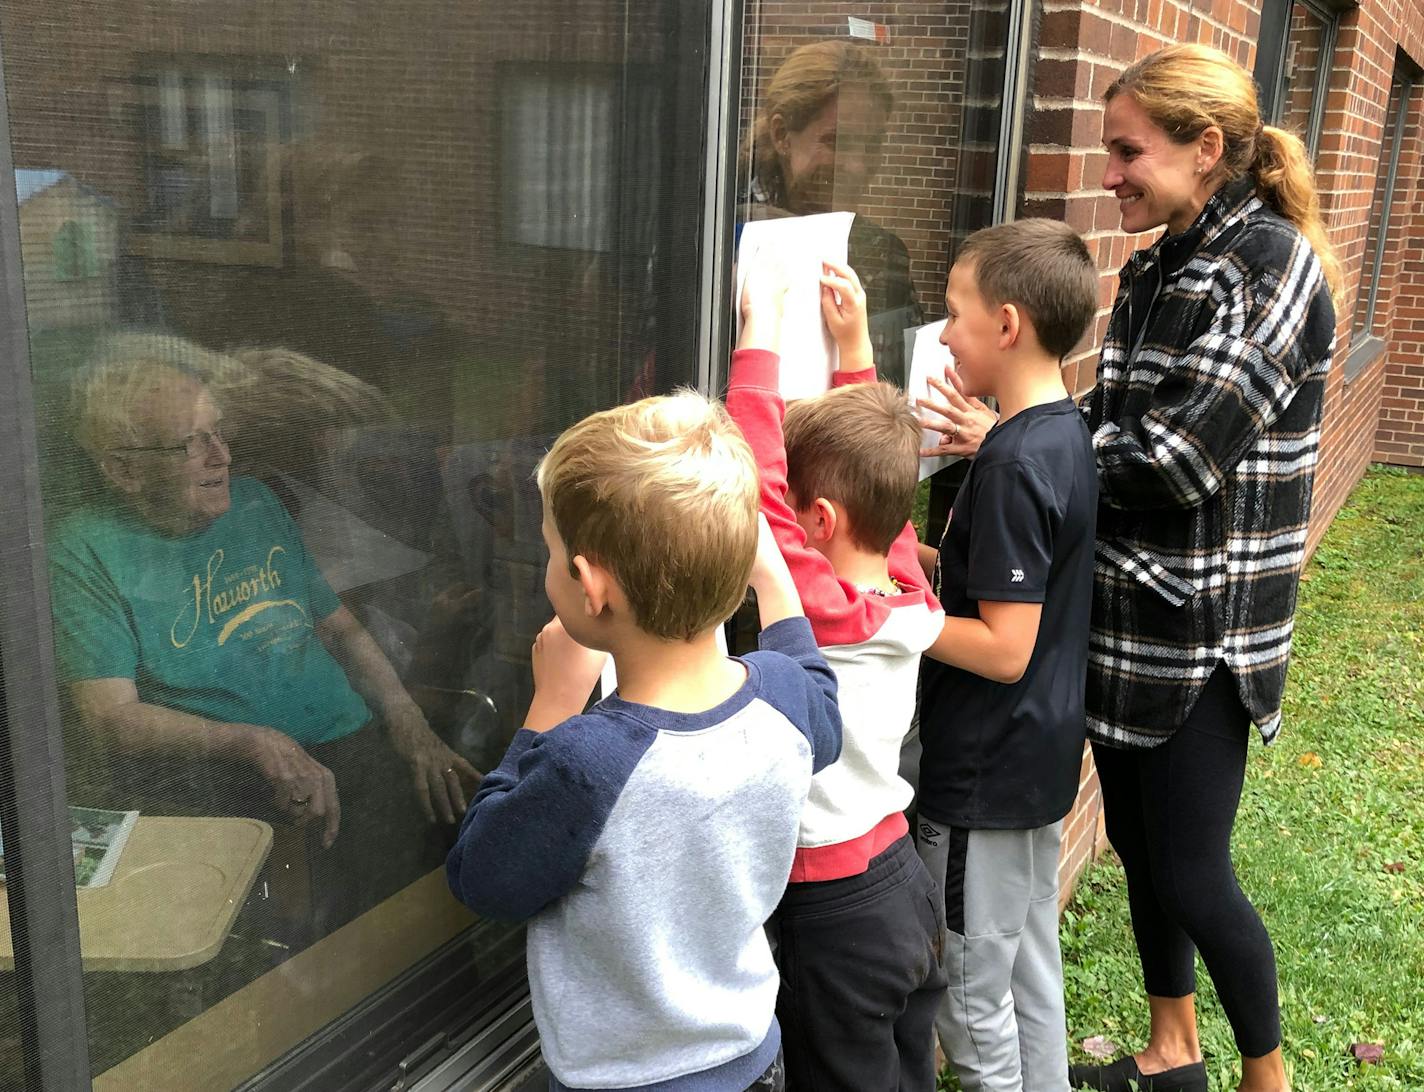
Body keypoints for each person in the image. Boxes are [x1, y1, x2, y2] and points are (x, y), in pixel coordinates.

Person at [918, 44, 1341, 1092]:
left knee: (1192, 870)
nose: (1108, 174)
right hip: (1122, 616)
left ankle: (1266, 1076)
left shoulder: (1268, 269)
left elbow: (1176, 458)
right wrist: (1023, 441)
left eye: (1125, 150)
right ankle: (1170, 1050)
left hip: (1204, 634)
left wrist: (1007, 442)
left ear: (1205, 152)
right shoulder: (1157, 266)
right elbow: (1104, 417)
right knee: (1142, 861)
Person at [445, 392, 842, 1092]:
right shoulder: (782, 696)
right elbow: (823, 706)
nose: (548, 563)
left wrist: (552, 701)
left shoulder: (587, 761)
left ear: (591, 585)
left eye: (551, 550)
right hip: (753, 1060)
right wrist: (775, 579)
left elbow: (484, 878)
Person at [49, 337, 479, 931]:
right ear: (122, 469)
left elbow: (346, 631)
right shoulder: (85, 548)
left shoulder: (256, 503)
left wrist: (410, 724)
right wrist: (253, 742)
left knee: (443, 888)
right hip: (234, 779)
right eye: (189, 445)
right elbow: (109, 718)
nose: (220, 456)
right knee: (326, 933)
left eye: (218, 433)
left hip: (353, 743)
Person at [729, 257, 948, 1089]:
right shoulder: (906, 597)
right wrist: (854, 345)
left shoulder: (826, 612)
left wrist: (760, 339)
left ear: (822, 522)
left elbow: (761, 494)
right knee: (905, 1069)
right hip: (903, 881)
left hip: (837, 907)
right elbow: (881, 502)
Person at [910, 219, 1099, 1092]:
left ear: (1008, 324)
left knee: (973, 999)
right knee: (1028, 973)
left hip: (982, 779)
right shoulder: (1062, 433)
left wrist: (890, 619)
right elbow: (1009, 586)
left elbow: (1003, 647)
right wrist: (913, 569)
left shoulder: (1015, 461)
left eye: (954, 313)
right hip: (1036, 763)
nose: (944, 334)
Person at [738, 40, 924, 384]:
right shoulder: (724, 239)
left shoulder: (885, 255)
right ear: (782, 135)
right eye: (836, 141)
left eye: (872, 145)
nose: (856, 165)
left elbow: (897, 389)